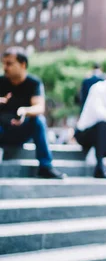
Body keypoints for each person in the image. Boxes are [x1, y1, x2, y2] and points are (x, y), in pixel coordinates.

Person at [0, 47, 66, 179]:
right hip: (2, 131)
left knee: (39, 120)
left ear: (23, 64)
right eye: (4, 63)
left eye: (9, 63)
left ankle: (45, 166)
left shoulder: (33, 83)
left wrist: (25, 110)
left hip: (21, 131)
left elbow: (39, 107)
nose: (5, 67)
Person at [75, 63, 106, 179]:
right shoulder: (98, 88)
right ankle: (100, 168)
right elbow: (99, 113)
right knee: (102, 124)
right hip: (85, 133)